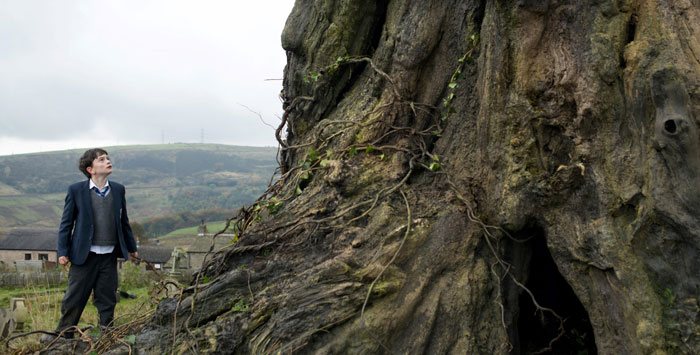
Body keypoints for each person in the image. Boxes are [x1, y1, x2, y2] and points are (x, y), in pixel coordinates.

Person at [53, 148, 138, 338]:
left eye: (108, 158)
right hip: (84, 256)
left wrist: (132, 248)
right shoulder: (76, 190)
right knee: (74, 300)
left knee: (107, 300)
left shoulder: (118, 189)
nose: (107, 161)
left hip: (109, 256)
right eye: (101, 159)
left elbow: (123, 221)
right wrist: (62, 251)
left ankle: (106, 338)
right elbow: (66, 224)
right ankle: (64, 338)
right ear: (90, 169)